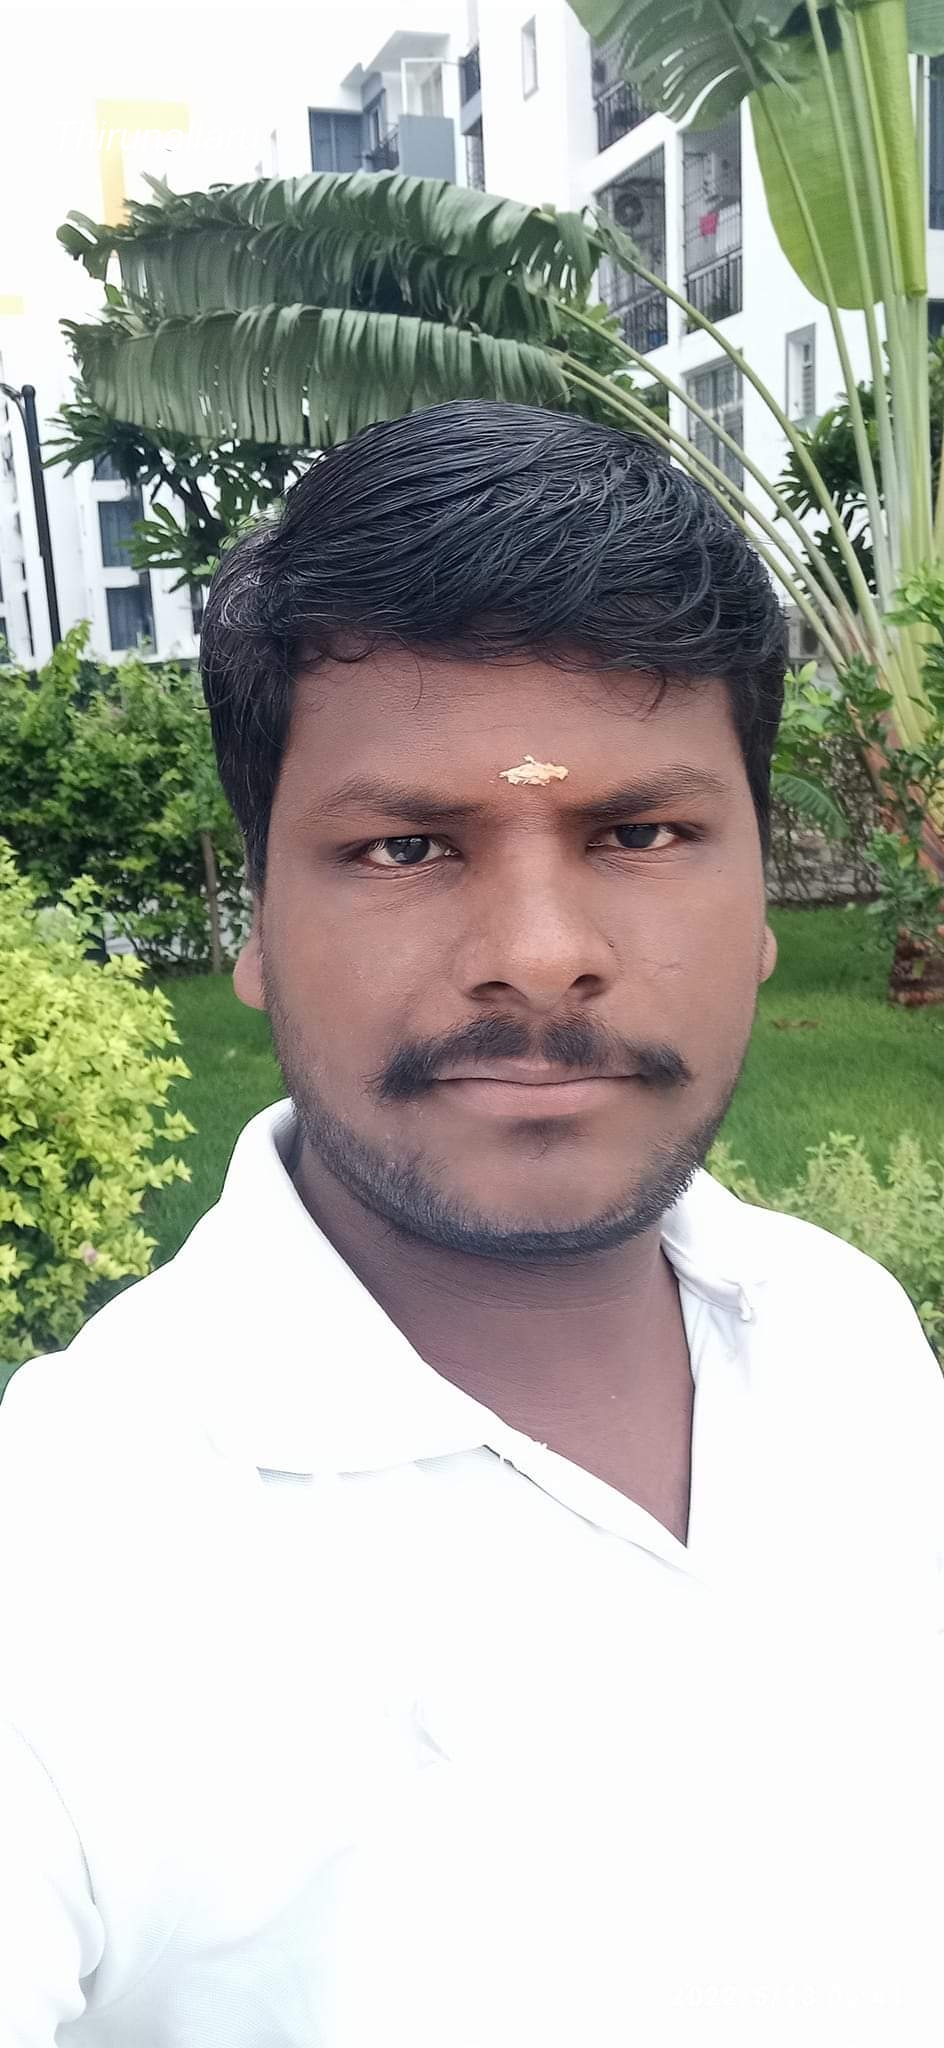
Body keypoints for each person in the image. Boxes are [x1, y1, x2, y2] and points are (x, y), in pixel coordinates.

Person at [1, 401, 942, 2047]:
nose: (538, 952)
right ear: (255, 926)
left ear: (763, 908)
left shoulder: (841, 1329)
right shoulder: (73, 1557)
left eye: (639, 834)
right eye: (406, 845)